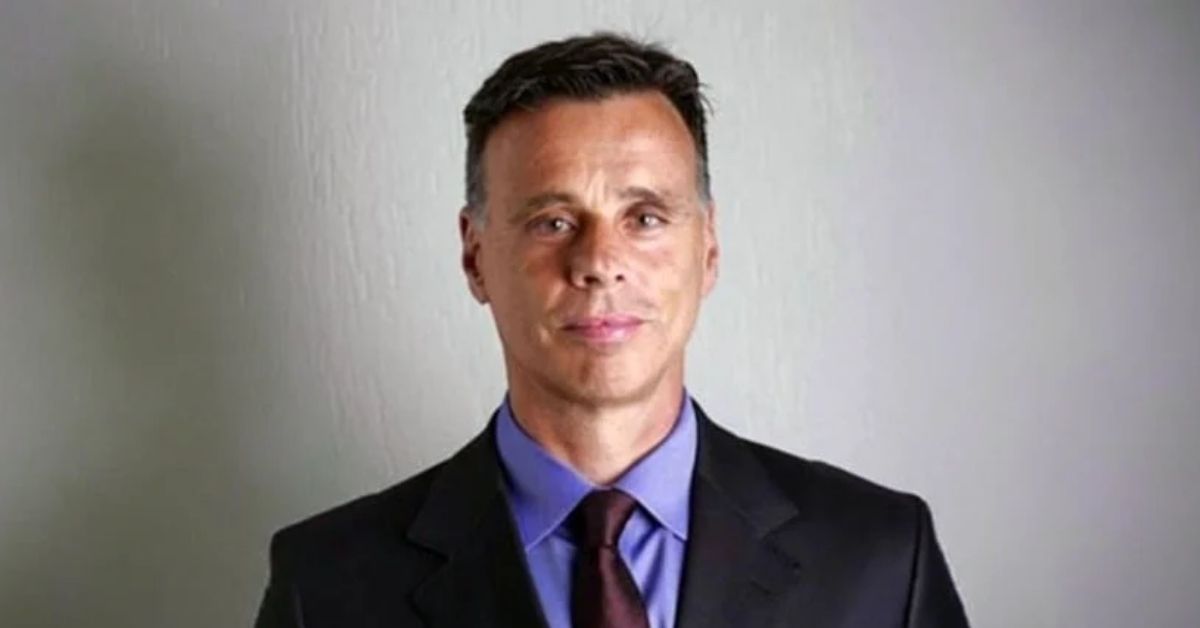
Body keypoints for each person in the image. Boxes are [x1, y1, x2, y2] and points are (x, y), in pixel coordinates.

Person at [254, 32, 969, 628]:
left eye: (645, 217)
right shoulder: (326, 587)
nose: (598, 262)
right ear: (475, 257)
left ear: (708, 248)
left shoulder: (881, 557)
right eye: (553, 222)